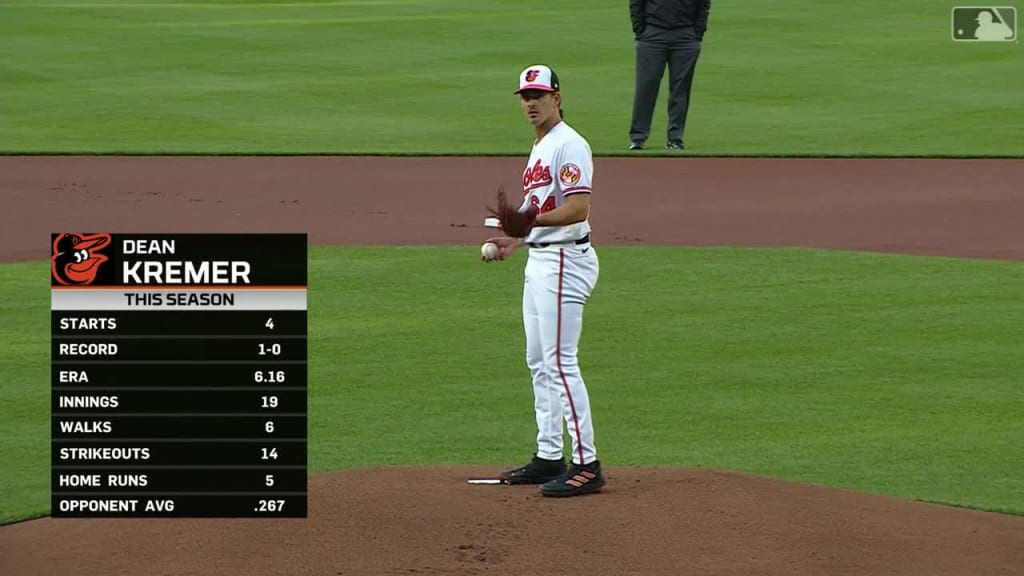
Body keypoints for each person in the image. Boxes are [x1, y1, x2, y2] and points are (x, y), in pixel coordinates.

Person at [483, 64, 605, 497]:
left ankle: (587, 463)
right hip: (541, 260)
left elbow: (578, 209)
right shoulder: (540, 147)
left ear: (557, 97)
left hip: (564, 264)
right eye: (524, 96)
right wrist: (519, 238)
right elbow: (543, 216)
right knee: (539, 362)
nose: (530, 103)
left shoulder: (569, 145)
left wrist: (528, 220)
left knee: (559, 362)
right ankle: (549, 454)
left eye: (538, 95)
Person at [628, 0, 712, 150]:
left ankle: (675, 138)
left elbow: (703, 4)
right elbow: (636, 3)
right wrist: (640, 30)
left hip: (685, 36)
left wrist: (697, 33)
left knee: (680, 89)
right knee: (646, 87)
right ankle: (638, 138)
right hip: (652, 34)